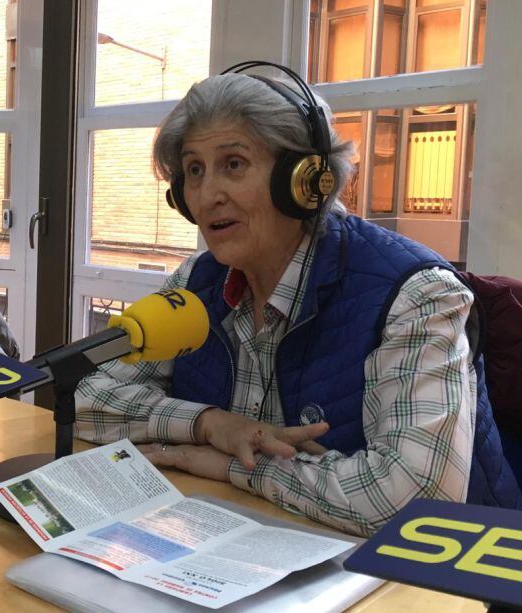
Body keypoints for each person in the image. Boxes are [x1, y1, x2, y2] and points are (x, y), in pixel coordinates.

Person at [75, 63, 521, 537]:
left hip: (441, 587)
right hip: (251, 545)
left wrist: (233, 466)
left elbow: (415, 499)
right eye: (194, 171)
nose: (207, 196)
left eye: (233, 164)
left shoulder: (417, 295)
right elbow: (86, 398)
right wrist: (210, 425)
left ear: (306, 180)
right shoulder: (197, 281)